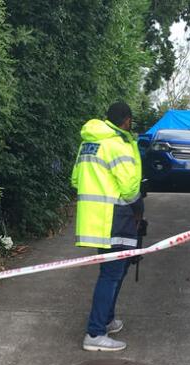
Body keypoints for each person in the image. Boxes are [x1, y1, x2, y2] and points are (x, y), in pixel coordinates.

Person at [71, 101, 144, 352]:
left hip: (95, 220)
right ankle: (95, 333)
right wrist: (138, 207)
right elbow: (130, 188)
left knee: (115, 271)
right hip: (116, 218)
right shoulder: (117, 144)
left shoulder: (88, 143)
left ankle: (107, 319)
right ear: (127, 120)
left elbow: (75, 179)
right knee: (112, 274)